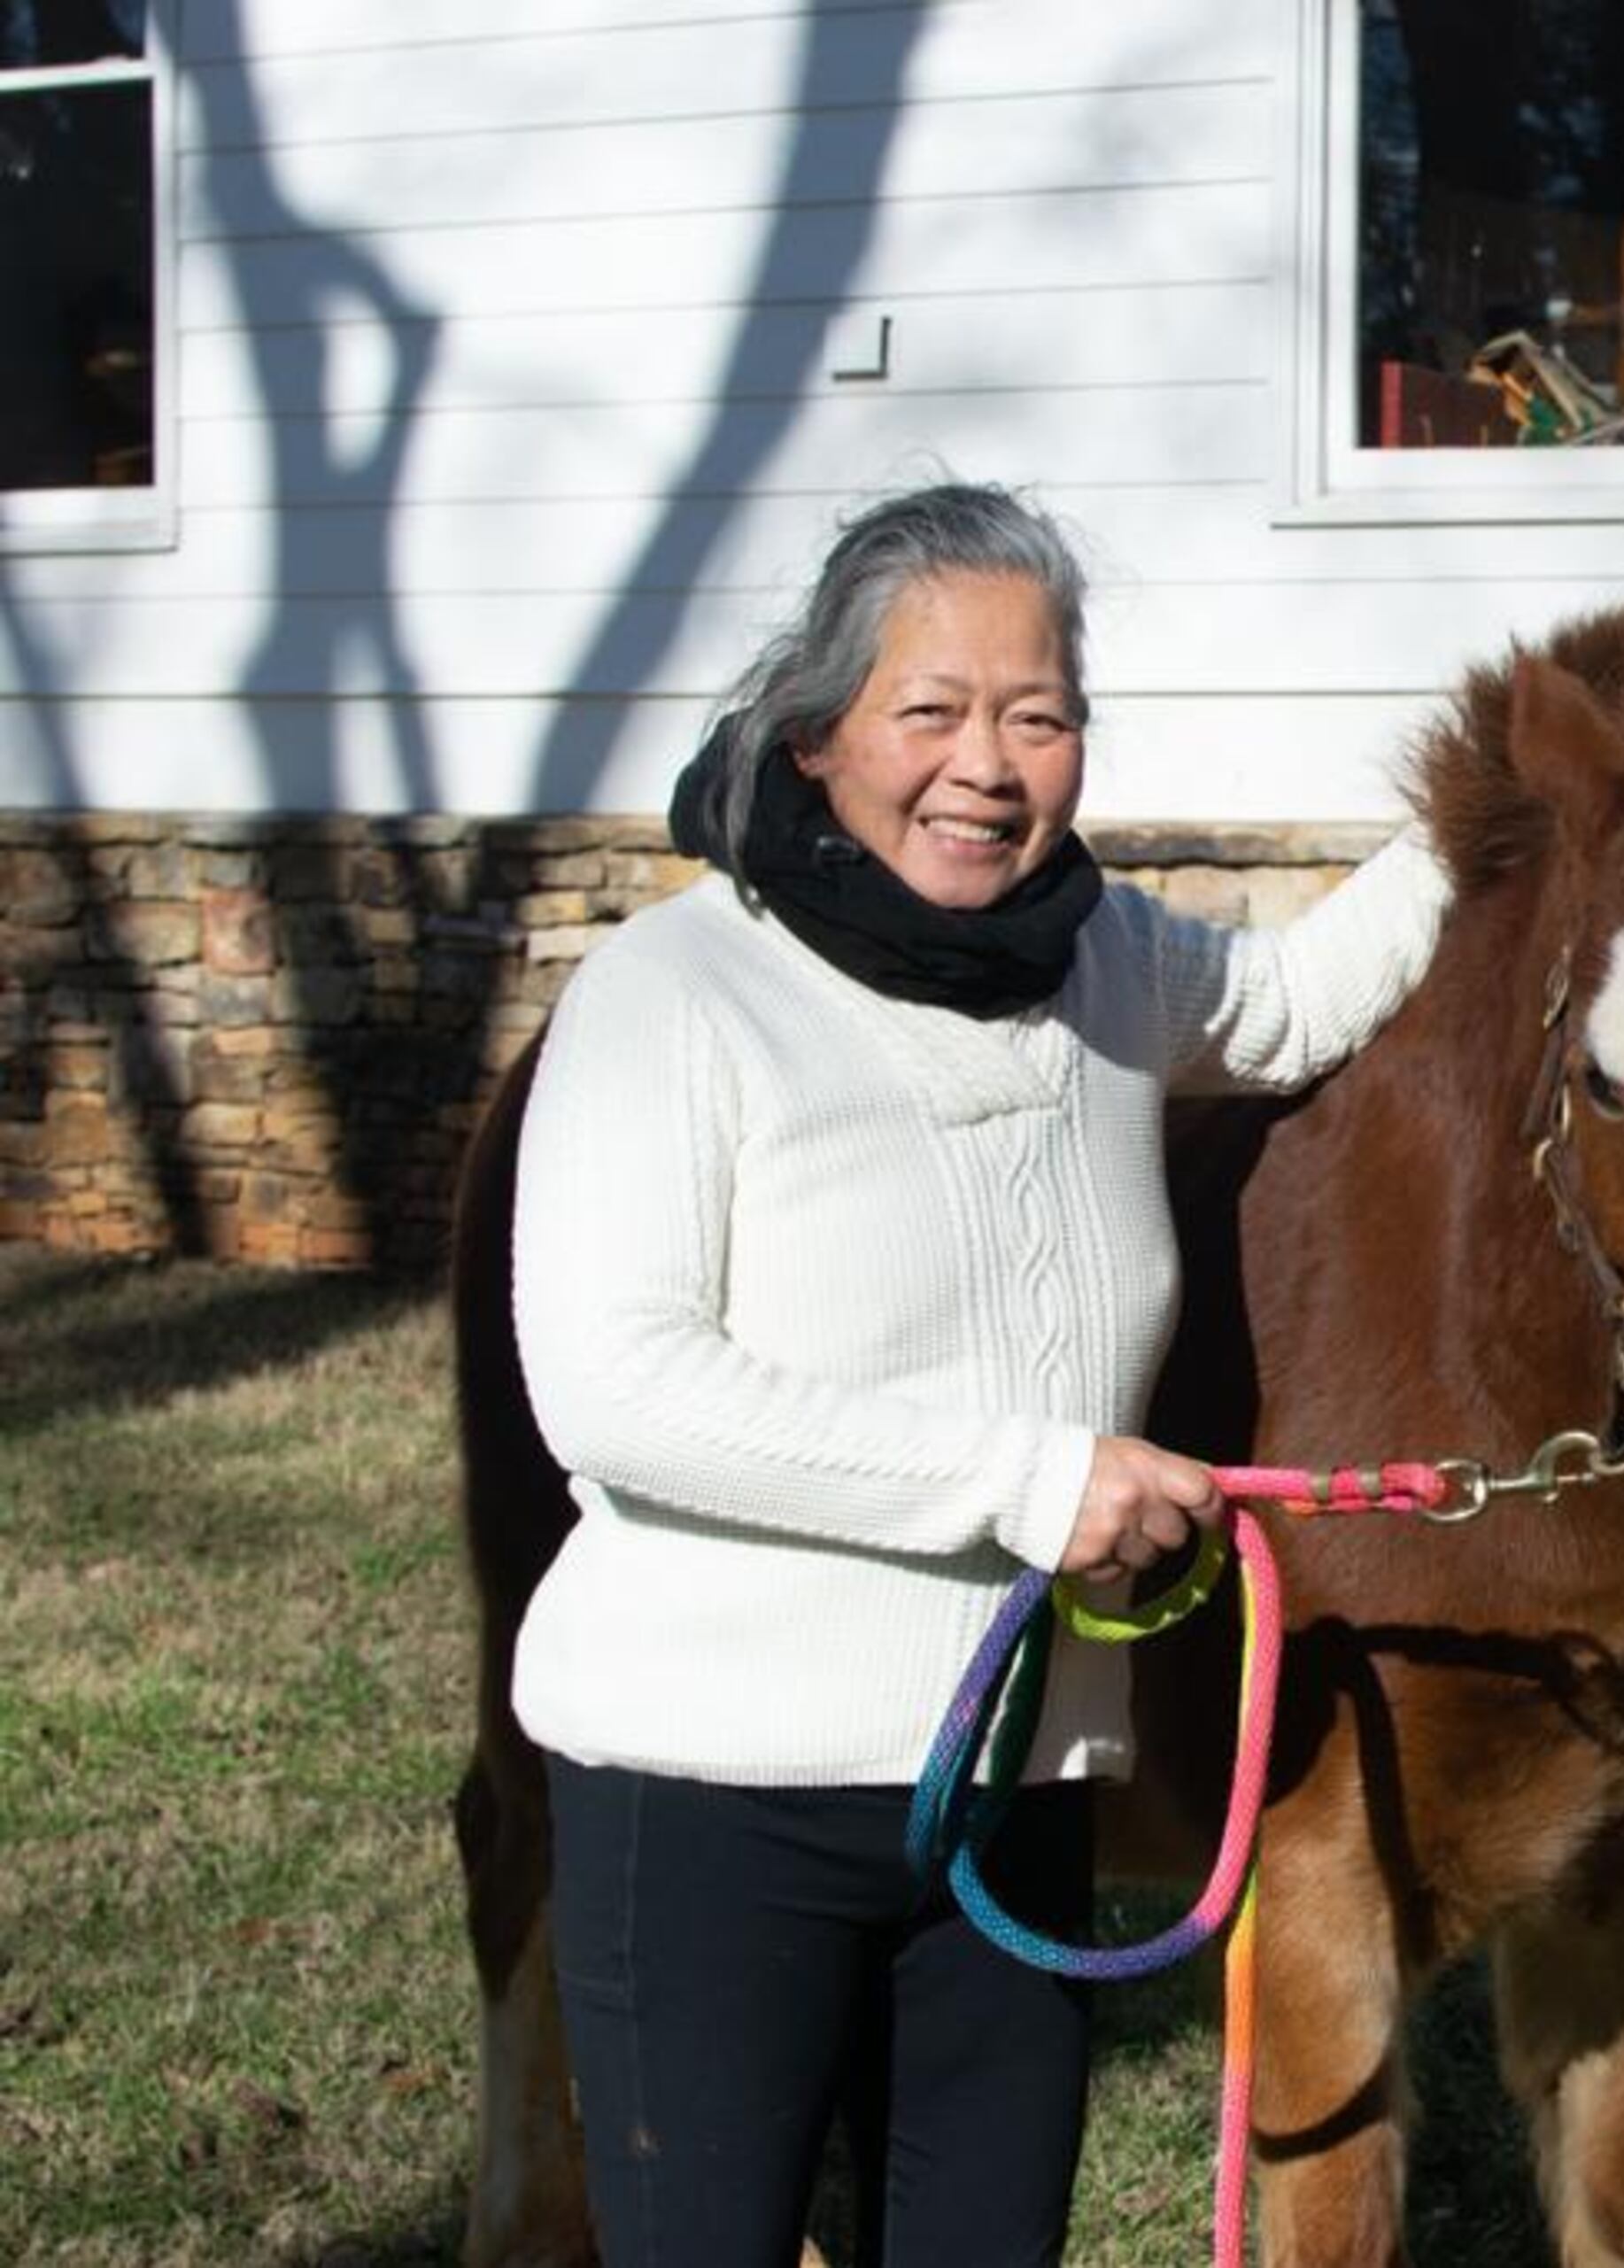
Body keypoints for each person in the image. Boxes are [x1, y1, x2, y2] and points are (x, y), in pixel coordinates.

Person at [505, 482, 1451, 2265]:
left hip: (1012, 1793)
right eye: (927, 711)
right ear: (816, 739)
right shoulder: (677, 994)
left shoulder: (1097, 963)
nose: (987, 766)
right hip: (716, 1802)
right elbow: (617, 1387)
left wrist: (1514, 769)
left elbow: (1300, 1002)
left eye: (1038, 714)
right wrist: (1032, 1482)